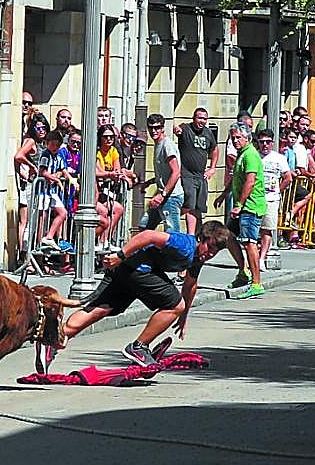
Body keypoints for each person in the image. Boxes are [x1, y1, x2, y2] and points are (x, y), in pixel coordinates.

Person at [45, 221, 231, 370]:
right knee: (175, 304)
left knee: (100, 309)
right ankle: (138, 347)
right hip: (136, 269)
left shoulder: (197, 258)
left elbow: (190, 286)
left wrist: (184, 316)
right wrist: (120, 255)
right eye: (209, 247)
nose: (210, 254)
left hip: (128, 270)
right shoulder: (184, 245)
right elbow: (148, 235)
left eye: (215, 252)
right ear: (200, 238)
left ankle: (53, 338)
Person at [215, 122, 267, 299]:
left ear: (248, 138)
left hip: (251, 206)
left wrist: (239, 204)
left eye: (238, 137)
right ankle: (243, 272)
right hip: (243, 206)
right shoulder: (242, 154)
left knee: (249, 242)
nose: (235, 141)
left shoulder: (250, 155)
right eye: (233, 138)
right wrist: (224, 194)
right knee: (228, 236)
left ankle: (256, 283)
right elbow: (236, 177)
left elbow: (250, 181)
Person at [174, 108, 219, 237]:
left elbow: (215, 149)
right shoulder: (186, 129)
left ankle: (198, 236)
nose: (202, 121)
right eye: (199, 118)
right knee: (190, 206)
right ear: (194, 118)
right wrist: (177, 130)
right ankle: (190, 236)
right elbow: (177, 128)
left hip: (201, 176)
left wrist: (212, 168)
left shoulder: (208, 133)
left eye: (204, 119)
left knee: (199, 208)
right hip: (187, 175)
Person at [140, 114, 184, 232]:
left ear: (163, 128)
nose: (153, 131)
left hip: (171, 197)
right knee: (144, 226)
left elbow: (176, 172)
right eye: (151, 128)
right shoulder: (158, 144)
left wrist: (162, 195)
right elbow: (164, 173)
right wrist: (149, 182)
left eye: (157, 128)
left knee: (172, 233)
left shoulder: (166, 145)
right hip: (162, 195)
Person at [14, 113, 49, 256]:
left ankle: (30, 254)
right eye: (38, 128)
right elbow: (18, 156)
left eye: (44, 127)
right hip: (31, 185)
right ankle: (24, 254)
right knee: (28, 221)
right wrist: (31, 166)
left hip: (39, 186)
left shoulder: (43, 143)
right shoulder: (31, 141)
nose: (41, 131)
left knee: (35, 221)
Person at [257, 129, 291, 270]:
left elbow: (287, 178)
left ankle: (262, 258)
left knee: (267, 229)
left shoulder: (279, 158)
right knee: (253, 231)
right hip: (255, 198)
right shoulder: (254, 156)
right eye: (262, 142)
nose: (265, 145)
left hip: (271, 199)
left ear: (272, 143)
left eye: (268, 142)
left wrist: (277, 190)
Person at [38, 130, 74, 251]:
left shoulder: (59, 156)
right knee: (42, 217)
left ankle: (49, 237)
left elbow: (63, 170)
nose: (55, 147)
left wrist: (71, 180)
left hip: (52, 192)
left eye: (57, 145)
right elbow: (42, 171)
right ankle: (39, 245)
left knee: (63, 213)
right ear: (47, 143)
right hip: (43, 192)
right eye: (52, 144)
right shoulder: (45, 155)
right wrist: (55, 179)